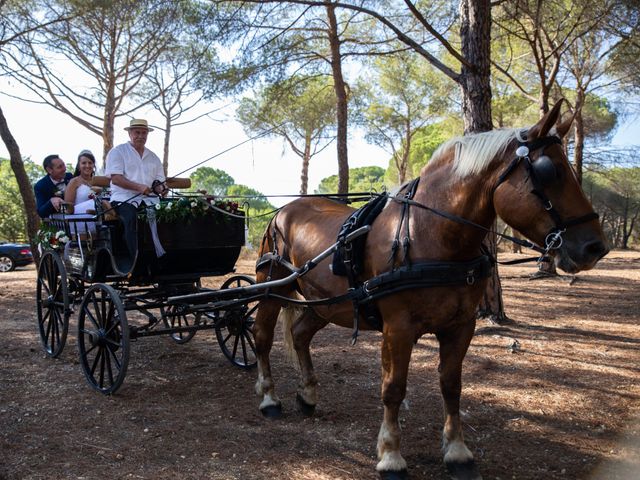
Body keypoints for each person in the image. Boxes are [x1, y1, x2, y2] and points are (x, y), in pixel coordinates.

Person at [105, 118, 166, 272]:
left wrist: (161, 188)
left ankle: (163, 260)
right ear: (130, 133)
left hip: (150, 200)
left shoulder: (153, 157)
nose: (140, 135)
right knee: (131, 219)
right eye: (137, 132)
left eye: (144, 133)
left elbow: (160, 182)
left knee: (168, 219)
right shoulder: (118, 152)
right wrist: (139, 187)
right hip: (123, 199)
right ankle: (136, 263)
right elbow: (116, 179)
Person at [64, 150, 101, 237]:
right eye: (84, 163)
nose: (87, 166)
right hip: (80, 219)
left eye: (90, 163)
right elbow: (68, 206)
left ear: (93, 165)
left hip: (97, 218)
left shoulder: (98, 180)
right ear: (78, 166)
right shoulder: (74, 182)